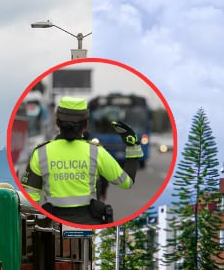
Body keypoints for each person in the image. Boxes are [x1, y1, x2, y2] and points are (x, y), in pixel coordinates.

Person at [20, 96, 143, 225]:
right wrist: (133, 146)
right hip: (89, 226)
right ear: (86, 124)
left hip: (53, 228)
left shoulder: (41, 153)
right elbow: (126, 182)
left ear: (57, 123)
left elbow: (29, 202)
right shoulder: (96, 152)